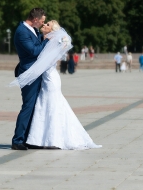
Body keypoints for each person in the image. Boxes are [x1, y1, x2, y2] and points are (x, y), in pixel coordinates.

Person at [10, 20, 101, 150]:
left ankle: (52, 138)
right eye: (45, 23)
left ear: (52, 31)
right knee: (45, 106)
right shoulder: (45, 38)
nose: (44, 25)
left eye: (47, 25)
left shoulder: (51, 42)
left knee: (51, 106)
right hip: (49, 77)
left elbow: (43, 61)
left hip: (50, 78)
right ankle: (40, 139)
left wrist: (26, 73)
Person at [11, 8, 49, 150]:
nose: (42, 24)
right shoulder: (22, 32)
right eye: (42, 21)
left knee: (34, 106)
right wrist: (46, 40)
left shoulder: (32, 30)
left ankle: (28, 138)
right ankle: (18, 140)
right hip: (28, 73)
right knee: (28, 106)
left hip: (36, 72)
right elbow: (34, 51)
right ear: (35, 20)